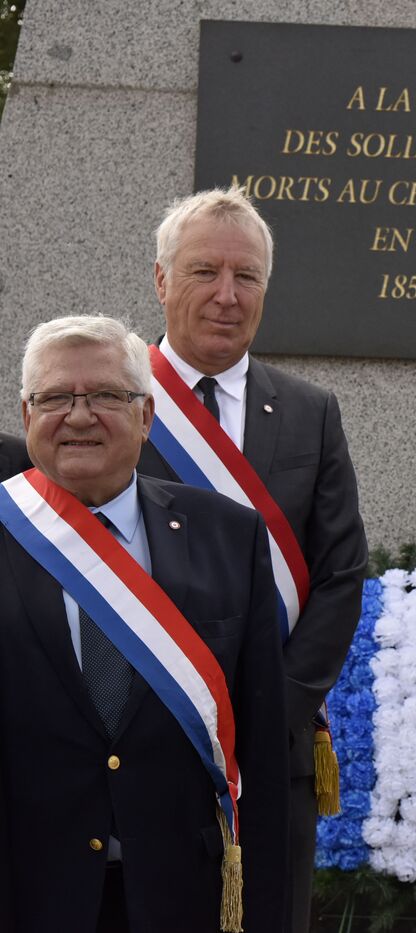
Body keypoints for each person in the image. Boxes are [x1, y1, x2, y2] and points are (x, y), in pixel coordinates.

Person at [0, 315, 287, 931]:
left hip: (185, 891)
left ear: (147, 415)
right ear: (26, 417)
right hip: (26, 892)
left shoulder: (230, 535)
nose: (79, 416)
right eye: (54, 398)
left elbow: (260, 743)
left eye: (106, 395)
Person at [136, 186, 368, 933]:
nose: (227, 297)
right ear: (162, 280)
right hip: (136, 737)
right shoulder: (111, 401)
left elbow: (339, 573)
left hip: (274, 746)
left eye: (248, 277)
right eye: (205, 272)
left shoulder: (309, 411)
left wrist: (275, 707)